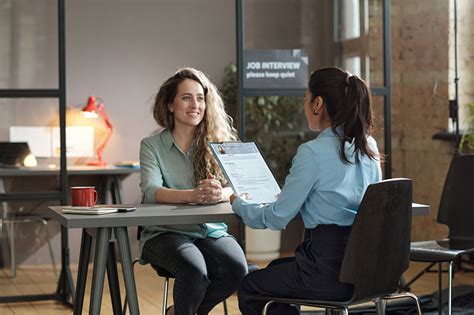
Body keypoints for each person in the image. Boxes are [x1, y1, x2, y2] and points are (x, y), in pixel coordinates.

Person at [230, 67, 382, 315]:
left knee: (250, 286)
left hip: (326, 271)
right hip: (365, 269)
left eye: (306, 98)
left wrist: (238, 203)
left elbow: (277, 217)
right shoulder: (369, 147)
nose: (304, 104)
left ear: (318, 104)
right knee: (277, 271)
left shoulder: (313, 152)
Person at [139, 67, 248, 315]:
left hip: (209, 231)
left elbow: (238, 184)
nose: (195, 104)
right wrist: (194, 195)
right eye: (186, 97)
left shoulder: (218, 143)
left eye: (200, 98)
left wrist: (219, 193)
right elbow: (150, 191)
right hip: (164, 233)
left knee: (237, 270)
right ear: (170, 105)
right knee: (195, 271)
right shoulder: (152, 145)